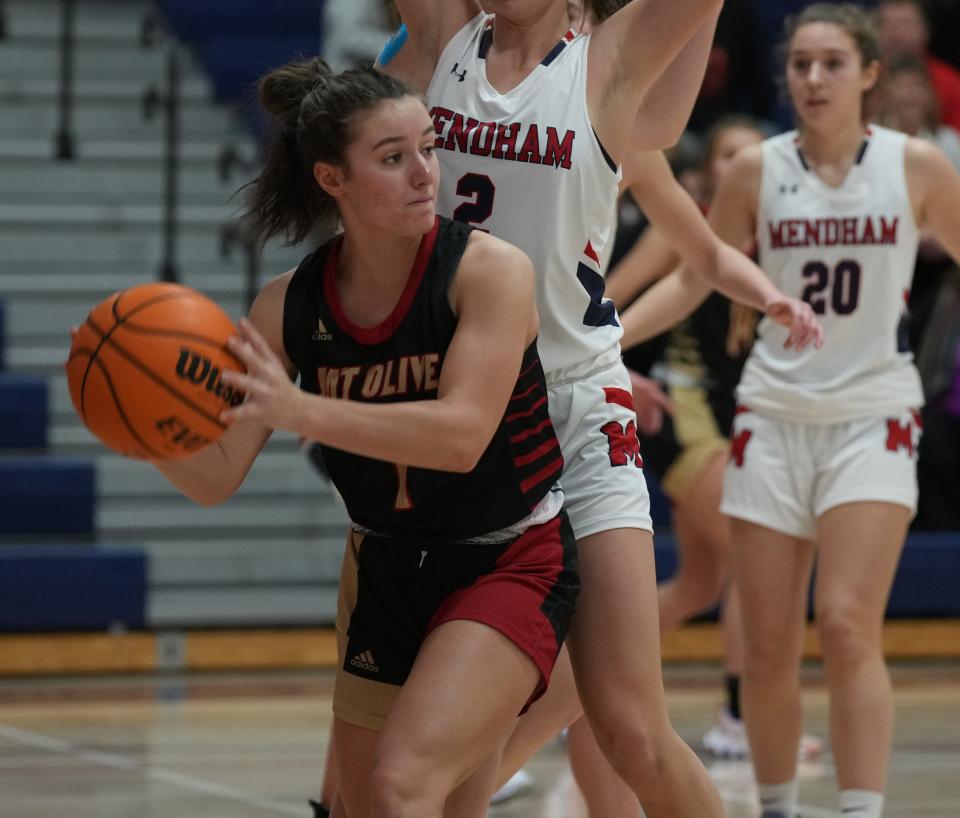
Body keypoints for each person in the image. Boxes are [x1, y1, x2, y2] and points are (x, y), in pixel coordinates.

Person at [382, 1, 822, 816]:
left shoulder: (605, 63)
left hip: (577, 413)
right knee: (449, 767)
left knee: (630, 728)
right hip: (462, 419)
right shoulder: (447, 35)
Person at [152, 61, 581, 818]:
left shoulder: (487, 271)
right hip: (386, 566)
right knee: (376, 807)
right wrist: (140, 428)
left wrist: (303, 411)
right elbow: (216, 474)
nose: (425, 173)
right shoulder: (288, 306)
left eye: (429, 147)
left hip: (507, 556)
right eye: (392, 158)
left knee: (399, 786)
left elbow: (459, 437)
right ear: (331, 178)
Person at [622, 5, 960, 816]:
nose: (812, 79)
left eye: (832, 64)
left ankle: (859, 809)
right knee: (767, 644)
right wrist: (601, 344)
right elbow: (694, 275)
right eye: (800, 65)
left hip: (873, 414)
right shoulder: (755, 172)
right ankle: (775, 807)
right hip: (772, 414)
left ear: (871, 74)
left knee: (846, 625)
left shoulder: (917, 167)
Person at [612, 117, 821, 762]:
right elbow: (604, 300)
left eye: (752, 156)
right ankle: (736, 715)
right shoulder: (687, 226)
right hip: (684, 412)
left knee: (701, 583)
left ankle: (580, 684)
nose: (740, 167)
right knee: (752, 552)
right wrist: (616, 365)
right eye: (728, 153)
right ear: (707, 169)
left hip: (746, 418)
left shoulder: (783, 234)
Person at [875, 0, 960, 132]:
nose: (896, 34)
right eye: (887, 24)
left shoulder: (949, 82)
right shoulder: (863, 79)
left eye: (905, 23)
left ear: (925, 30)